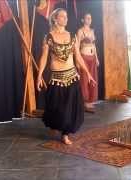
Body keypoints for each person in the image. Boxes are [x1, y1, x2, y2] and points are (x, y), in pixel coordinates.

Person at [36, 8, 96, 145]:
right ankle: (54, 126)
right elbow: (44, 58)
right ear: (55, 19)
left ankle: (65, 134)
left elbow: (78, 56)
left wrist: (88, 73)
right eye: (62, 16)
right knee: (56, 107)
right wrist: (39, 76)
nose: (65, 19)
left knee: (70, 108)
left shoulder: (72, 36)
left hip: (72, 76)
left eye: (66, 16)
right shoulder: (48, 37)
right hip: (57, 78)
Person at [76, 12, 99, 113]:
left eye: (90, 18)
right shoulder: (80, 31)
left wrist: (97, 58)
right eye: (87, 18)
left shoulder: (92, 31)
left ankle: (91, 99)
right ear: (83, 20)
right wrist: (77, 60)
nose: (89, 20)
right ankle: (85, 101)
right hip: (84, 57)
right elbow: (76, 47)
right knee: (85, 79)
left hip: (92, 57)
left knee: (92, 78)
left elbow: (94, 46)